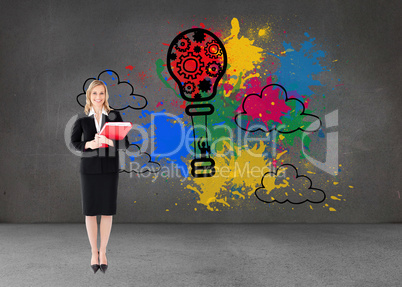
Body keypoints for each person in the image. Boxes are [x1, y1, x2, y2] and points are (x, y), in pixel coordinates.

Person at [70, 80, 129, 274]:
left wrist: (109, 141)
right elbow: (74, 143)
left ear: (106, 95)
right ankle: (92, 252)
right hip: (88, 170)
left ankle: (102, 252)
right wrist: (89, 145)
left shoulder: (114, 115)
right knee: (90, 212)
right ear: (89, 95)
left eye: (101, 93)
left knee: (106, 211)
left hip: (109, 170)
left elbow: (125, 144)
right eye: (94, 93)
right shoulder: (81, 118)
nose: (98, 97)